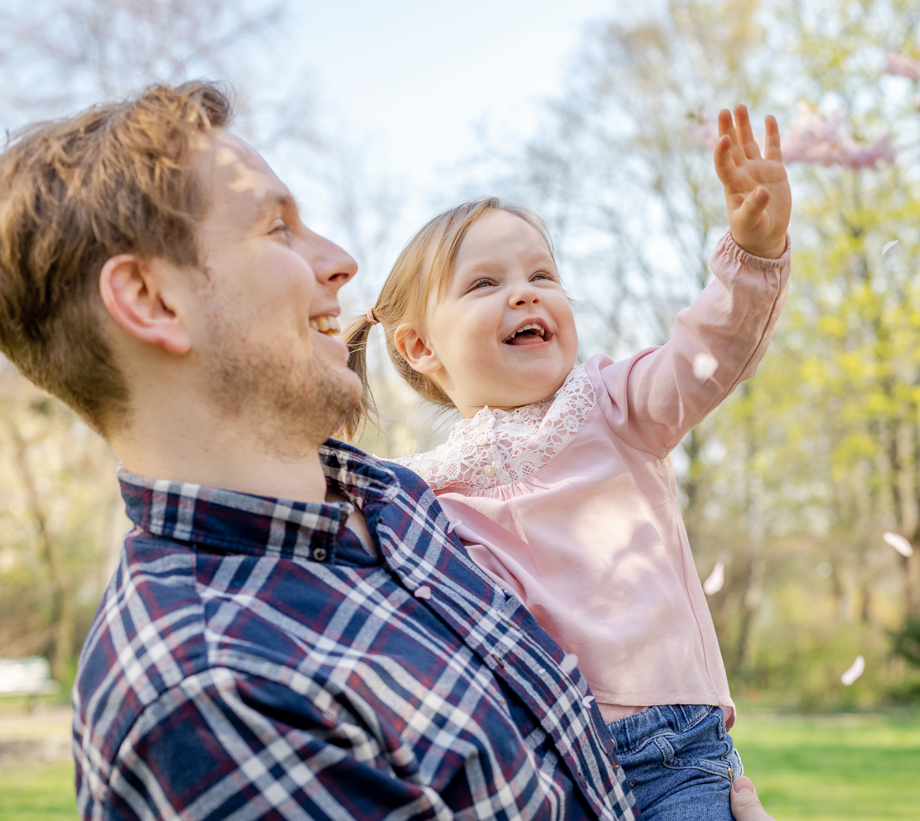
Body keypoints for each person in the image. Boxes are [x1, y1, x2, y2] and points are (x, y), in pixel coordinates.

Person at [0, 80, 778, 821]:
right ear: (151, 300)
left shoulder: (394, 506)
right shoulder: (210, 690)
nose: (341, 258)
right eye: (279, 228)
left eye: (545, 273)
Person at [340, 106, 791, 820]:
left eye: (542, 274)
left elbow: (704, 358)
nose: (525, 291)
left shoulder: (615, 406)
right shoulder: (420, 490)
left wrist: (753, 256)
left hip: (674, 756)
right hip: (545, 764)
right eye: (484, 284)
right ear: (420, 347)